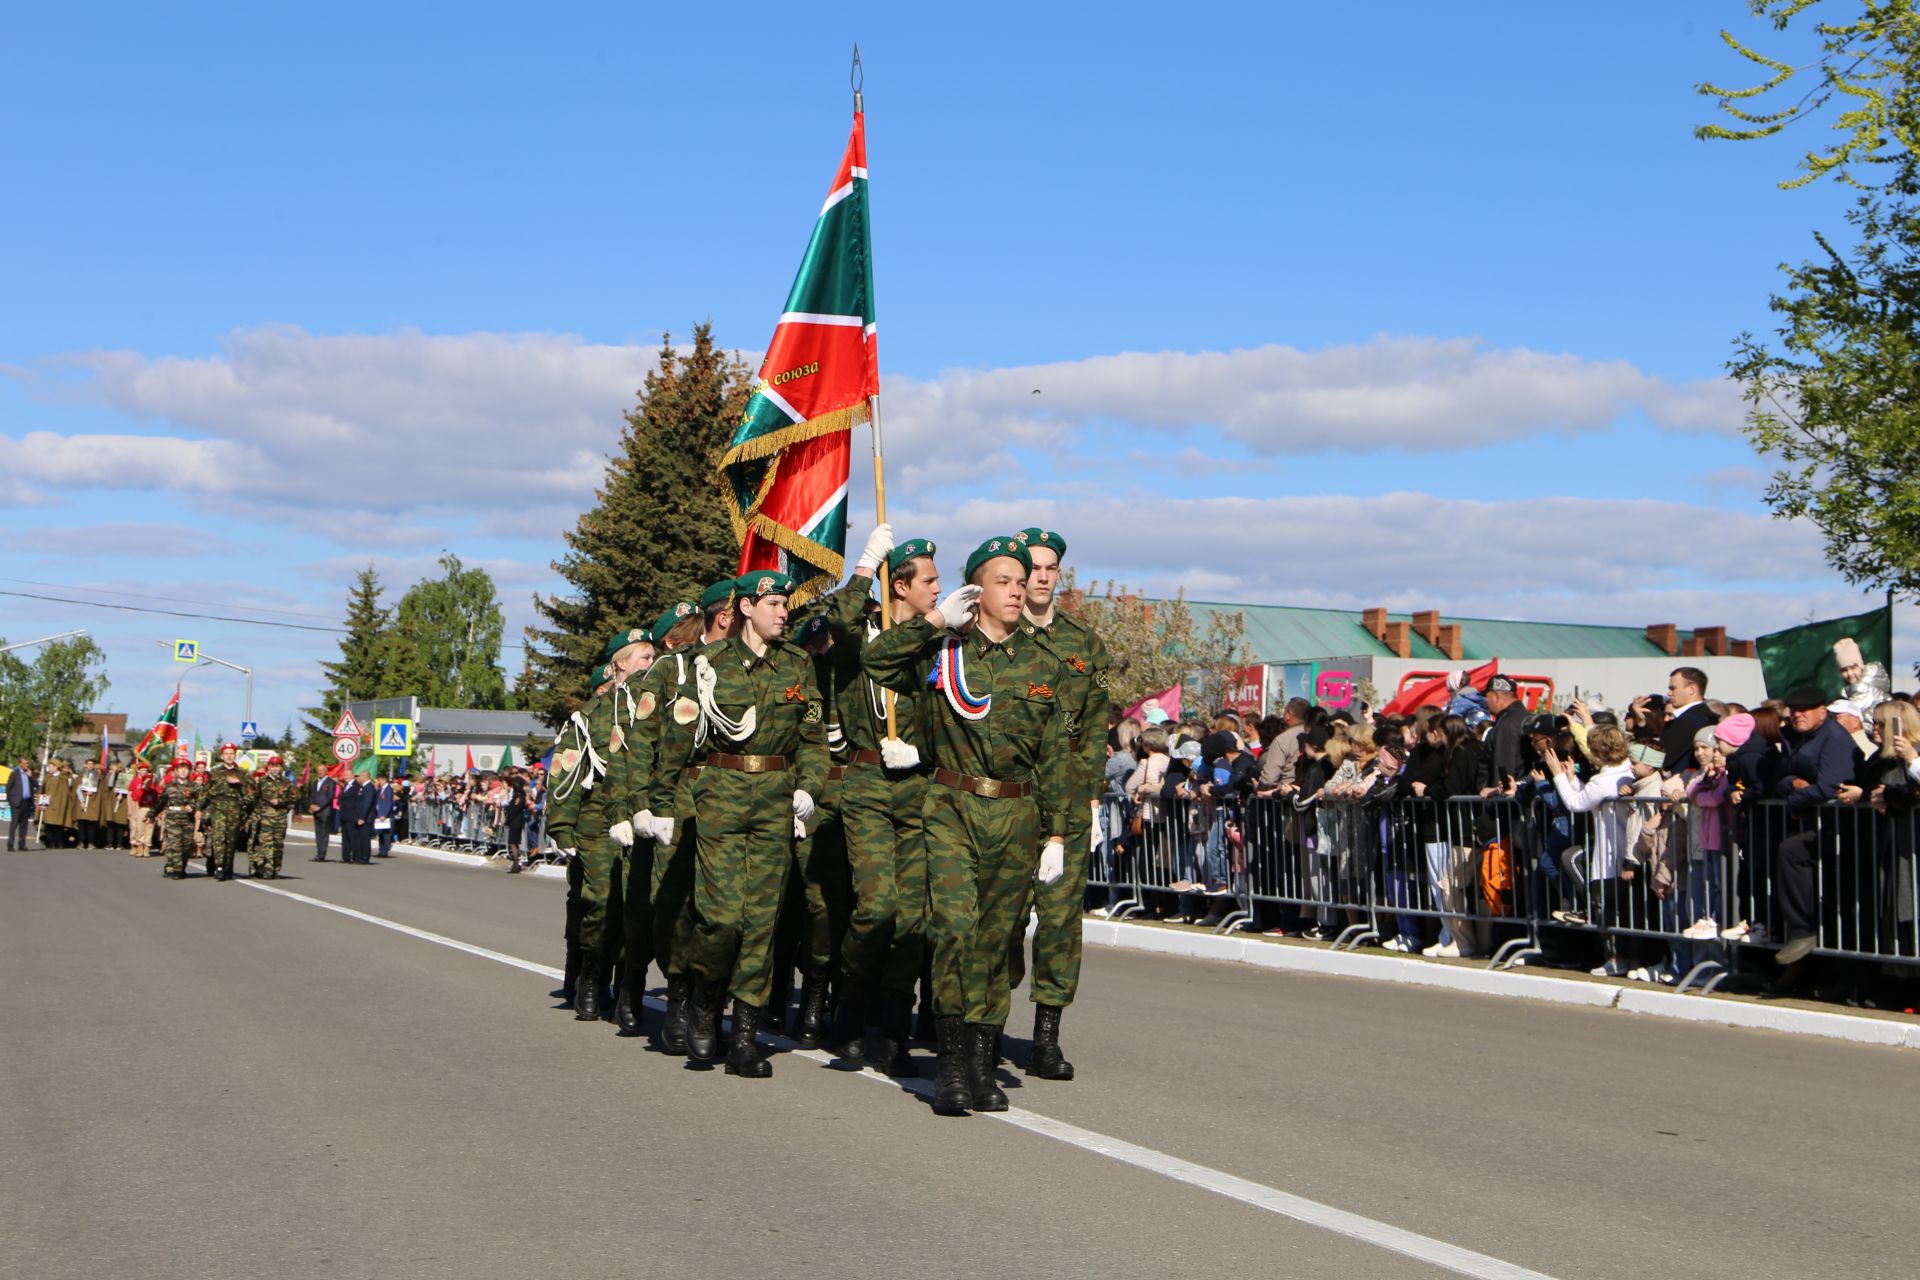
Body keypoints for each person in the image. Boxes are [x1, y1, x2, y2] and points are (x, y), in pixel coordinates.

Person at [865, 535, 1070, 1116]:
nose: (1018, 588)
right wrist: (932, 622)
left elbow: (1056, 755)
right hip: (952, 806)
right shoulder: (943, 653)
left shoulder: (1042, 662)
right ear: (979, 591)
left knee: (997, 939)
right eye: (1004, 581)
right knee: (954, 929)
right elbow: (874, 662)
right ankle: (951, 1065)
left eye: (1021, 579)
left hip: (1018, 814)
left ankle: (982, 1063)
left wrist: (1057, 834)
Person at [675, 569, 828, 1079]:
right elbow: (678, 740)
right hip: (721, 795)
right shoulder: (708, 662)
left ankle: (743, 1036)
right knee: (720, 918)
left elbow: (812, 739)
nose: (784, 612)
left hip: (775, 800)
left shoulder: (798, 664)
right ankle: (703, 1000)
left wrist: (809, 787)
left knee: (761, 922)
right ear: (744, 608)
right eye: (774, 604)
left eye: (786, 604)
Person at [814, 527, 938, 1072]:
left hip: (918, 785)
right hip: (865, 783)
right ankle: (849, 1004)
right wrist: (864, 567)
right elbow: (824, 624)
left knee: (912, 918)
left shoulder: (941, 640)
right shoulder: (858, 635)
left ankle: (893, 1025)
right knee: (878, 906)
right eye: (929, 580)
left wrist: (923, 751)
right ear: (901, 585)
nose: (938, 589)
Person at [1007, 527, 1111, 1081]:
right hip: (1013, 797)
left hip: (1067, 799)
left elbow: (1096, 728)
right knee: (1002, 918)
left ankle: (1045, 1036)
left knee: (1060, 922)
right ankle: (981, 1022)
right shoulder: (997, 636)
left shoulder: (1084, 644)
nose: (1042, 577)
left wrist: (1091, 798)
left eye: (1051, 568)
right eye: (1033, 568)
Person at [625, 580, 738, 1046]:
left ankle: (710, 999)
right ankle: (678, 994)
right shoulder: (674, 669)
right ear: (726, 616)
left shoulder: (745, 668)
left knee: (725, 907)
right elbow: (641, 739)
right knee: (675, 904)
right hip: (680, 792)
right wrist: (642, 805)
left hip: (732, 794)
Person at [1771, 687, 1864, 967]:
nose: (1798, 715)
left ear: (1822, 712)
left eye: (1805, 710)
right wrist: (1793, 785)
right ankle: (1803, 935)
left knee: (1793, 852)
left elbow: (1829, 787)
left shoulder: (1834, 738)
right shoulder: (1797, 737)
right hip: (1817, 823)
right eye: (1794, 710)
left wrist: (1795, 801)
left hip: (1841, 827)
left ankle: (1804, 932)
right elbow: (1781, 777)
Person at [199, 743, 251, 881]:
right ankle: (219, 866)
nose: (229, 756)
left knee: (231, 839)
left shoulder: (242, 773)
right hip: (218, 808)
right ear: (222, 756)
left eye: (231, 753)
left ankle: (228, 867)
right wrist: (200, 808)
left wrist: (239, 783)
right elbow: (206, 792)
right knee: (219, 837)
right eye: (226, 753)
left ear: (235, 756)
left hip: (235, 809)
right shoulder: (215, 773)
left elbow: (253, 793)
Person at [249, 756, 299, 878]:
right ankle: (267, 869)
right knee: (266, 843)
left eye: (278, 766)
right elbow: (255, 798)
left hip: (280, 817)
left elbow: (293, 798)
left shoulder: (286, 782)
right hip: (266, 817)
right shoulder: (262, 781)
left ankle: (275, 868)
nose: (276, 769)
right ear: (269, 767)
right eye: (273, 766)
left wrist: (281, 802)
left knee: (278, 844)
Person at [157, 759, 201, 880]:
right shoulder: (169, 786)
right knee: (174, 845)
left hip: (188, 820)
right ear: (175, 771)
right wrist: (151, 815)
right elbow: (161, 802)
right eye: (180, 768)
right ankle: (176, 869)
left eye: (185, 768)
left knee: (186, 846)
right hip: (172, 818)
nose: (183, 771)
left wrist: (193, 807)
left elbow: (201, 802)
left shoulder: (195, 787)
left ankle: (176, 866)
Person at [339, 773, 377, 865]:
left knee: (364, 839)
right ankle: (359, 857)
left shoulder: (369, 787)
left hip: (365, 818)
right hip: (359, 817)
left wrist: (362, 817)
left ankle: (364, 858)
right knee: (359, 839)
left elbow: (367, 804)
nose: (358, 778)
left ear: (365, 777)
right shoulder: (363, 787)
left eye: (360, 776)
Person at [309, 768, 341, 862]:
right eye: (318, 770)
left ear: (326, 771)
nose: (320, 772)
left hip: (325, 812)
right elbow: (312, 795)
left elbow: (330, 797)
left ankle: (322, 854)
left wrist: (319, 807)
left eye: (322, 770)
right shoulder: (315, 782)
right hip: (316, 812)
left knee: (324, 833)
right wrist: (311, 805)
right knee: (318, 833)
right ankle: (318, 853)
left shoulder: (331, 782)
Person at [5, 758, 33, 851]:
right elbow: (8, 788)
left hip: (26, 802)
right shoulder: (15, 774)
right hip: (17, 803)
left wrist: (31, 776)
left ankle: (22, 845)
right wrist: (11, 801)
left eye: (27, 763)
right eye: (25, 763)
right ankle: (10, 845)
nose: (27, 765)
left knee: (24, 825)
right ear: (20, 764)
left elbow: (36, 785)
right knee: (14, 824)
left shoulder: (28, 774)